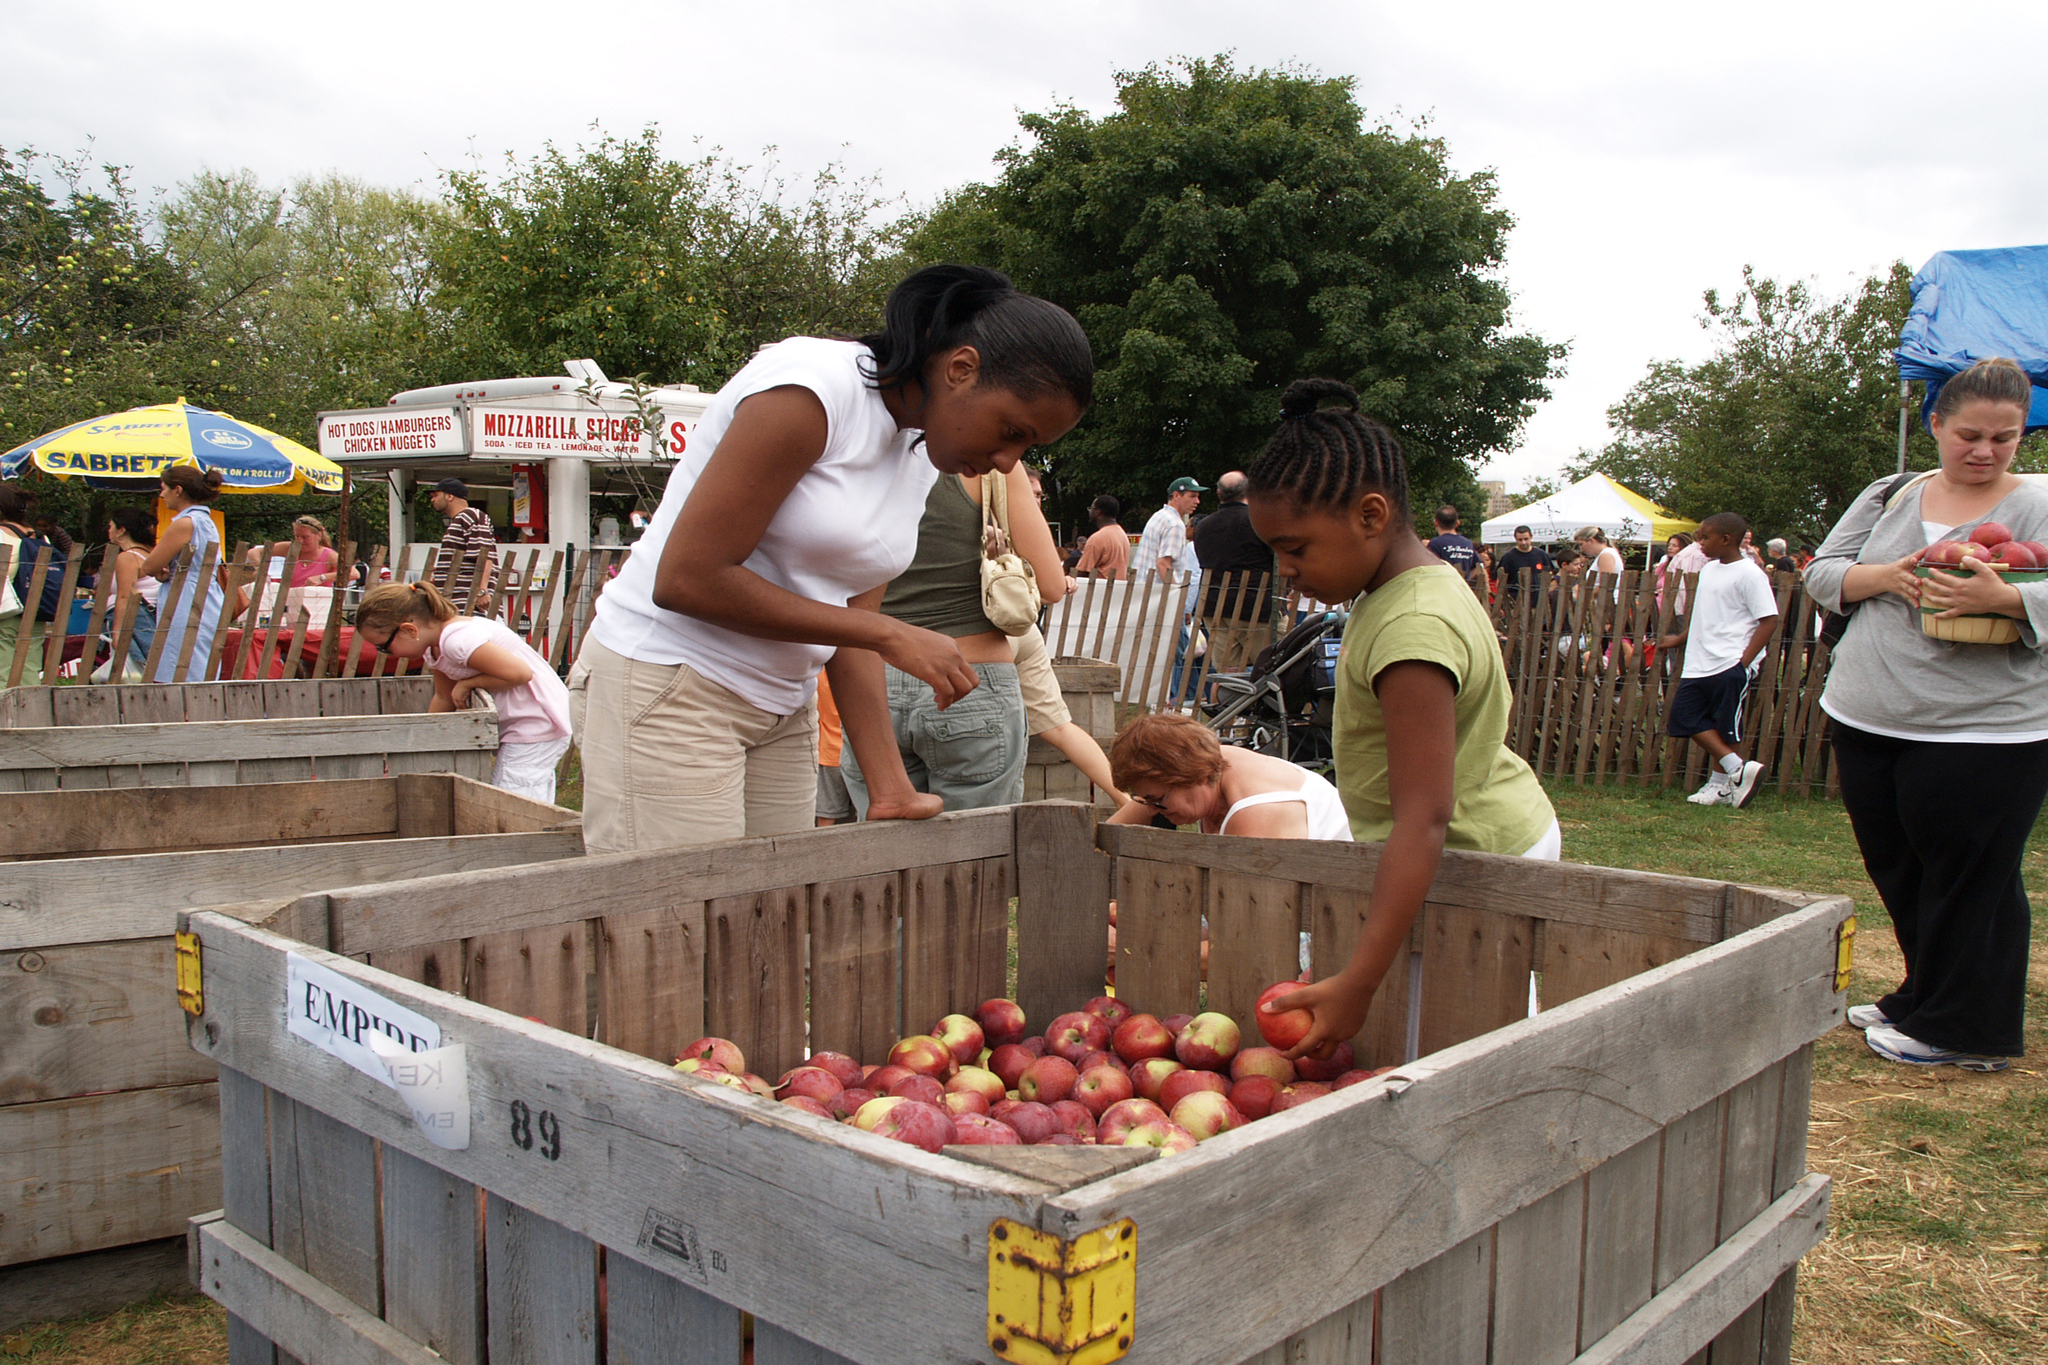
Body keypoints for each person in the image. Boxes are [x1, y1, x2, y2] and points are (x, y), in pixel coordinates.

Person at [567, 264, 1092, 852]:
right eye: (1012, 431)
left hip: (781, 706)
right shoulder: (812, 390)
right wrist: (890, 633)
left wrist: (891, 787)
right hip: (670, 682)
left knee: (772, 920)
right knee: (676, 925)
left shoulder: (918, 451)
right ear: (960, 368)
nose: (1006, 461)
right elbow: (688, 578)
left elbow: (850, 625)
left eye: (1027, 447)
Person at [1245, 378, 1558, 1061]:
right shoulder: (1399, 593)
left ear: (1370, 514)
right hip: (1461, 846)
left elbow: (1425, 818)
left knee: (1462, 1052)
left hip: (1472, 859)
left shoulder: (1412, 624)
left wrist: (1359, 981)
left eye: (1296, 548)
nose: (1286, 569)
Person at [1805, 356, 2048, 1072]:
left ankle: (1968, 1029)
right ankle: (1922, 993)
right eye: (1970, 433)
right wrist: (1890, 575)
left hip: (1987, 727)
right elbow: (1823, 573)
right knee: (1900, 865)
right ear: (1936, 425)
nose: (1985, 450)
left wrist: (2007, 600)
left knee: (1972, 877)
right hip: (1869, 714)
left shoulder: (2038, 503)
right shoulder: (1891, 491)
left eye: (2004, 437)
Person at [838, 458, 1066, 816]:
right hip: (972, 676)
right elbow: (1052, 584)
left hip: (870, 680)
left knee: (886, 854)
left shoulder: (864, 452)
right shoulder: (993, 460)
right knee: (975, 858)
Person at [355, 581, 572, 802]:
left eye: (384, 647)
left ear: (409, 630)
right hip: (526, 722)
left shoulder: (456, 640)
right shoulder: (434, 649)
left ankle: (523, 835)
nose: (386, 654)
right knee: (523, 789)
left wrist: (468, 684)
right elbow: (443, 697)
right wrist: (423, 743)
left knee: (513, 795)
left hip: (538, 720)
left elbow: (519, 673)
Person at [1658, 513, 1776, 808]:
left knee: (1725, 726)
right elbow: (1703, 612)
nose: (1700, 543)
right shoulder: (1710, 570)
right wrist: (1680, 638)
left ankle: (1720, 786)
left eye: (1705, 537)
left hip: (1730, 661)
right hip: (1699, 661)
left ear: (1726, 539)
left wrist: (1743, 663)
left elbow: (1769, 620)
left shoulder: (1750, 574)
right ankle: (1738, 770)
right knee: (1682, 717)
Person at [139, 465, 227, 683]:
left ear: (177, 490)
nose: (161, 494)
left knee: (182, 660)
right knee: (202, 661)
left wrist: (160, 571)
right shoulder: (207, 520)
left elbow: (149, 566)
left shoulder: (184, 523)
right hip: (207, 592)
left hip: (185, 596)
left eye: (164, 488)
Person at [1192, 471, 1277, 673]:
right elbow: (1276, 560)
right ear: (1248, 492)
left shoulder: (1204, 526)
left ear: (1219, 494)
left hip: (1216, 605)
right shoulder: (1257, 521)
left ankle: (1226, 704)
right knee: (1269, 668)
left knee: (1226, 672)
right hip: (1255, 606)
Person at [101, 507, 160, 679]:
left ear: (122, 530)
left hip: (136, 621)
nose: (108, 531)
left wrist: (118, 632)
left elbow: (125, 596)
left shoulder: (127, 557)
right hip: (149, 618)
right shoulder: (148, 554)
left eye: (110, 526)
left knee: (135, 673)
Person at [429, 478, 497, 608]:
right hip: (457, 602)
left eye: (436, 495)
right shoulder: (459, 521)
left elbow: (484, 556)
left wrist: (482, 591)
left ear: (449, 496)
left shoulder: (470, 515)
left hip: (469, 603)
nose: (432, 500)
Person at [0, 483, 39, 684]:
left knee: (2, 671)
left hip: (6, 612)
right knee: (30, 671)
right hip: (36, 611)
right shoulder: (39, 537)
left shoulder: (1, 535)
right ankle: (32, 713)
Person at [1135, 478, 1204, 585]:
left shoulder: (1159, 515)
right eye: (1192, 496)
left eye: (1197, 497)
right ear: (1176, 496)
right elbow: (1163, 564)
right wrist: (1175, 594)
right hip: (1157, 594)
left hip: (1143, 590)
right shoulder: (1175, 524)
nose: (1197, 501)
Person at [1071, 496, 1129, 580]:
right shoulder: (1122, 534)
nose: (1090, 511)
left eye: (1091, 508)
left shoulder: (1097, 538)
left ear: (1098, 512)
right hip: (1119, 588)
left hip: (1100, 589)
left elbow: (1082, 571)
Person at [1495, 525, 1555, 604]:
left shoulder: (1541, 555)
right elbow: (1500, 580)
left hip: (1539, 600)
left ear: (1531, 537)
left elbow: (1551, 575)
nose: (1523, 542)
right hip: (1516, 600)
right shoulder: (1508, 557)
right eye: (1520, 540)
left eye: (1526, 539)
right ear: (1515, 539)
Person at [1425, 505, 1479, 580]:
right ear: (1457, 523)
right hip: (1462, 589)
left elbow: (1428, 568)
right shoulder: (1468, 543)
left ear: (1436, 522)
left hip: (1443, 587)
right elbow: (1478, 566)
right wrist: (1464, 580)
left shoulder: (1435, 543)